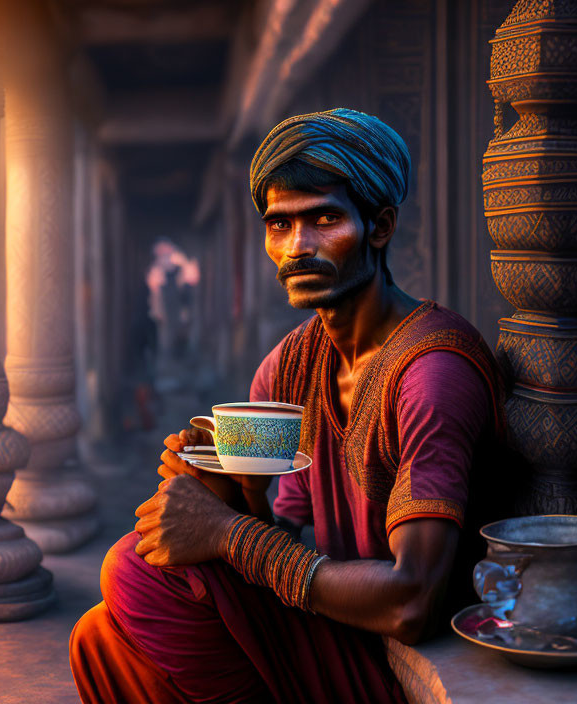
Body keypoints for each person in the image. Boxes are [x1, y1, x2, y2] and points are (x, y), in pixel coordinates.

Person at [69, 108, 507, 703]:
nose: (297, 246)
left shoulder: (431, 374)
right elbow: (287, 536)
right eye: (279, 225)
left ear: (379, 227)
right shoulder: (287, 366)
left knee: (132, 574)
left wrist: (224, 534)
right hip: (330, 620)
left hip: (403, 653)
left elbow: (414, 602)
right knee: (98, 635)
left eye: (324, 219)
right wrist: (229, 492)